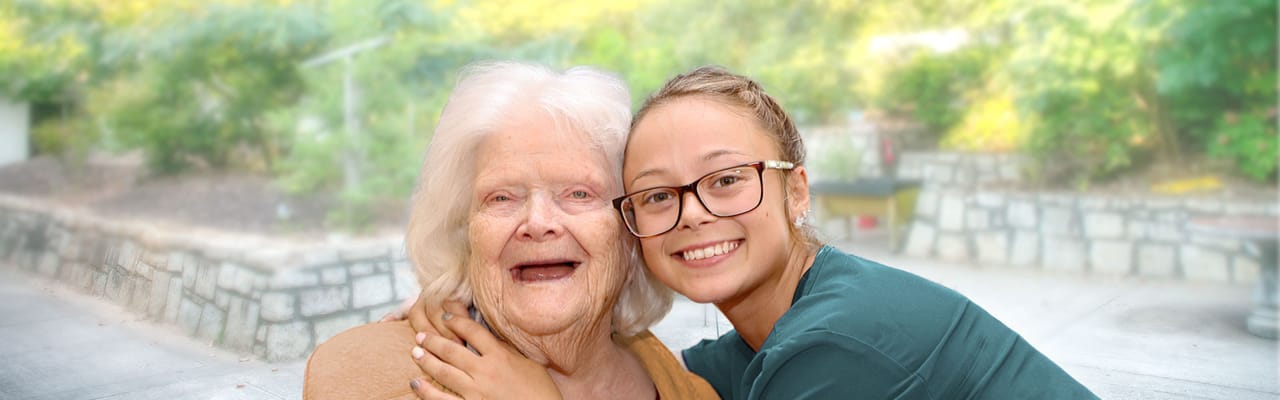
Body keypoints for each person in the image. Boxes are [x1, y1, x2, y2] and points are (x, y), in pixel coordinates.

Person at [419, 66, 1098, 399]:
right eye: (658, 195)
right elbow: (662, 385)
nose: (693, 215)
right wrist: (459, 300)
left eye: (725, 180)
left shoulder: (833, 344)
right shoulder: (761, 339)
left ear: (794, 189)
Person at [302, 61, 718, 400]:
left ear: (628, 233)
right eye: (501, 198)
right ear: (464, 232)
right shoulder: (362, 375)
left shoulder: (685, 386)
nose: (538, 224)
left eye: (578, 193)